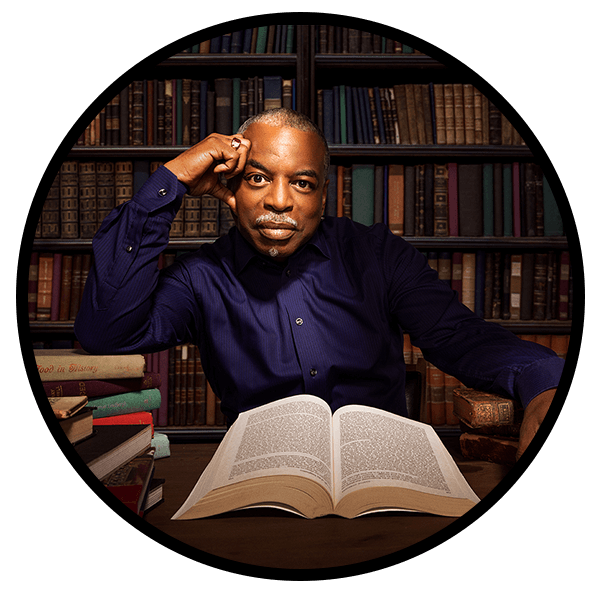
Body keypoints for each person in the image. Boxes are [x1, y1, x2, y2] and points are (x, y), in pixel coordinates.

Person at [74, 108, 564, 460]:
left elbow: (459, 337)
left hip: (384, 467)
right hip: (260, 474)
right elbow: (107, 334)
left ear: (323, 195)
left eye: (302, 183)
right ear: (230, 187)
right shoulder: (202, 277)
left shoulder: (377, 254)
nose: (281, 201)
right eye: (259, 179)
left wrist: (543, 382)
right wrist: (172, 180)